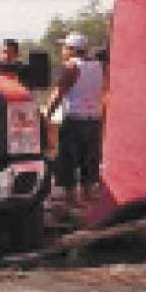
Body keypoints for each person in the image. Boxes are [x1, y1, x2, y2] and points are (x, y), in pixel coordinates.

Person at [42, 32, 105, 209]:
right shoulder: (98, 66)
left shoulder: (72, 67)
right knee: (89, 159)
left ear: (72, 49)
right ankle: (87, 195)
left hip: (75, 119)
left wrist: (46, 115)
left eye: (64, 48)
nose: (62, 51)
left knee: (67, 159)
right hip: (94, 119)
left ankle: (71, 198)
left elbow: (58, 94)